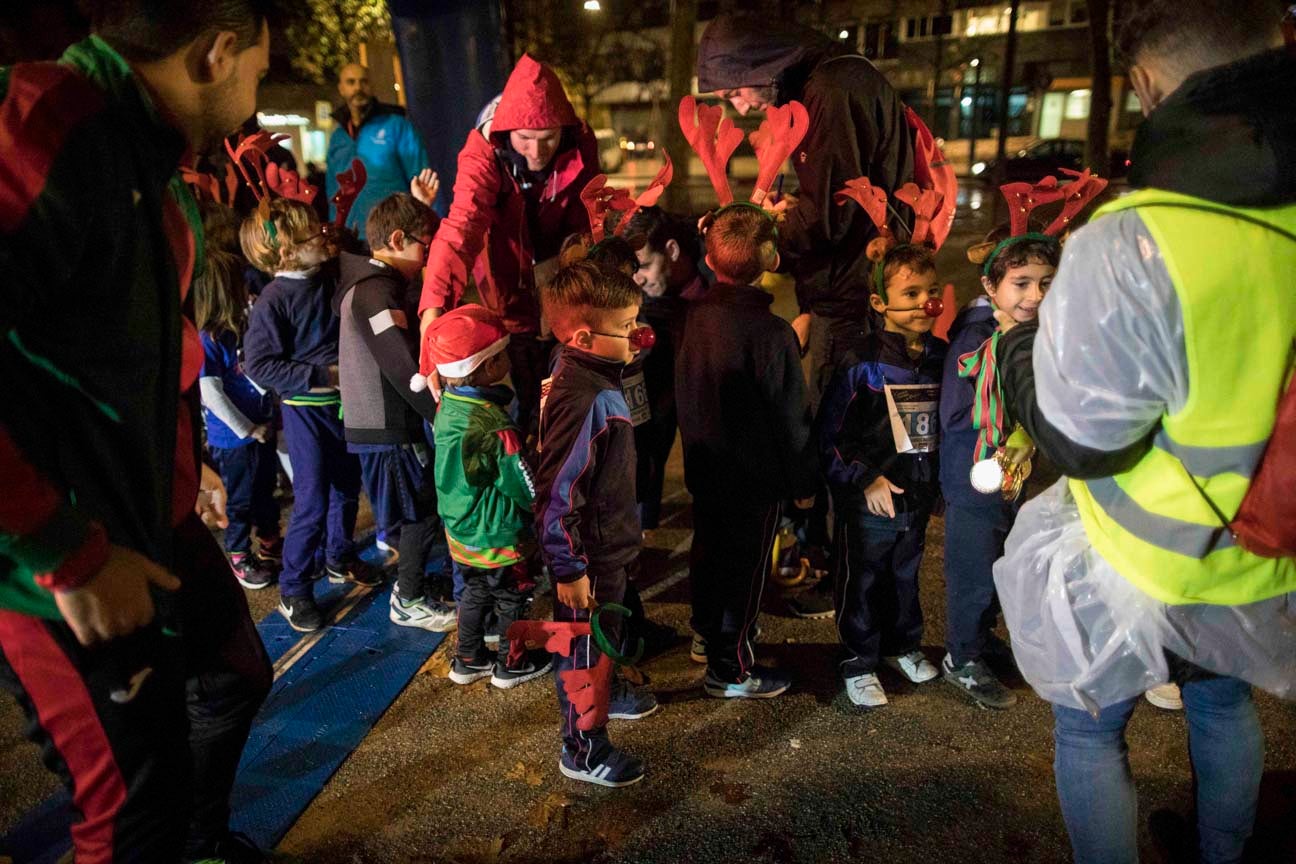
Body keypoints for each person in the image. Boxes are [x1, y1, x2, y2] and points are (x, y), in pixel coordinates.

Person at [989, 2, 1296, 860]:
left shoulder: (1135, 240)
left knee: (1091, 730)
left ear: (1147, 86)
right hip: (1263, 555)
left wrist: (1019, 344)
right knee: (1225, 706)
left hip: (1137, 562)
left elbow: (1086, 441)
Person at [0, 3, 274, 861]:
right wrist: (64, 551)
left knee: (230, 676)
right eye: (259, 74)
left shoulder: (135, 155)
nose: (255, 100)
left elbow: (132, 363)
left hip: (143, 515)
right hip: (54, 552)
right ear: (217, 52)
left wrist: (186, 477)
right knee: (128, 806)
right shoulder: (50, 123)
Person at [695, 14, 915, 406]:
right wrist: (795, 204)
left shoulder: (829, 93)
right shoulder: (833, 79)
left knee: (837, 424)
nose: (742, 110)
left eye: (734, 94)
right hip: (854, 280)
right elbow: (839, 185)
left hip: (852, 290)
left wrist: (756, 239)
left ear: (760, 65)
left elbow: (830, 214)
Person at [675, 206, 818, 698]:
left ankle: (705, 634)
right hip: (754, 480)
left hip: (704, 466)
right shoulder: (774, 333)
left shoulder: (693, 318)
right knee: (745, 570)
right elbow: (790, 417)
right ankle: (730, 669)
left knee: (708, 552)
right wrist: (803, 485)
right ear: (770, 257)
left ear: (710, 260)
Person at [419, 54, 600, 437]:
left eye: (548, 138)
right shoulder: (483, 152)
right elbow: (461, 227)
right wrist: (434, 305)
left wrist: (584, 250)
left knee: (563, 393)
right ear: (505, 133)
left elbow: (590, 208)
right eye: (526, 139)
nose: (537, 151)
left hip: (563, 284)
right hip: (507, 286)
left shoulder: (580, 141)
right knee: (520, 385)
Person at [534, 261, 659, 788]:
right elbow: (559, 492)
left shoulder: (587, 372)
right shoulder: (586, 397)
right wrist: (570, 566)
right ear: (585, 335)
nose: (639, 335)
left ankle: (605, 703)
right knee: (585, 651)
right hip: (589, 558)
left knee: (599, 644)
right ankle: (583, 749)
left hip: (604, 547)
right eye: (627, 327)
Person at [242, 198, 382, 633]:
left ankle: (338, 556)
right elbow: (258, 365)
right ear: (285, 252)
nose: (321, 234)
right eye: (309, 235)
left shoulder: (325, 273)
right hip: (305, 413)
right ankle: (294, 588)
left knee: (346, 486)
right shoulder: (274, 301)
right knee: (312, 501)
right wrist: (323, 373)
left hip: (339, 406)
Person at [815, 244, 946, 708]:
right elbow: (829, 435)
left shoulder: (940, 356)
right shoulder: (861, 362)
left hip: (915, 497)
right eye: (911, 294)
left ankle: (901, 646)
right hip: (869, 500)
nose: (926, 303)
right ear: (879, 304)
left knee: (906, 577)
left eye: (932, 292)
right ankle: (858, 660)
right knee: (863, 580)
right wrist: (862, 478)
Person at [936, 224, 1059, 710]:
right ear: (991, 287)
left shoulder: (1032, 332)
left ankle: (982, 640)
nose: (1034, 295)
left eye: (1046, 283)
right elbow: (961, 410)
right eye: (1021, 283)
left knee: (1000, 559)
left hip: (1011, 468)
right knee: (973, 567)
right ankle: (961, 657)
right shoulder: (979, 335)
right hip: (976, 471)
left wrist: (1025, 440)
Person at [336, 192, 456, 632]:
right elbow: (402, 362)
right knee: (420, 512)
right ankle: (408, 599)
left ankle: (414, 587)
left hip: (383, 421)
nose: (427, 257)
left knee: (417, 508)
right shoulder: (377, 291)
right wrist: (442, 411)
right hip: (388, 423)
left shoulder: (368, 283)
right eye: (424, 246)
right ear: (399, 238)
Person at [421, 305, 552, 688]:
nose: (508, 361)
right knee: (513, 594)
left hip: (460, 527)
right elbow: (520, 479)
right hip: (497, 531)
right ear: (483, 367)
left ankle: (467, 658)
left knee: (476, 588)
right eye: (501, 356)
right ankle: (511, 664)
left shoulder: (449, 406)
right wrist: (541, 505)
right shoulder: (494, 424)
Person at [197, 249, 281, 591]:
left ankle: (271, 542)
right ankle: (238, 554)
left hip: (260, 429)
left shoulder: (239, 327)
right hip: (235, 440)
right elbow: (211, 394)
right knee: (240, 498)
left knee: (265, 491)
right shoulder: (210, 339)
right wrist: (248, 429)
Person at [622, 206, 710, 531]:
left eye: (645, 265)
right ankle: (643, 527)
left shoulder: (713, 277)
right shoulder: (644, 296)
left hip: (703, 390)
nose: (638, 278)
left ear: (672, 250)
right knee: (648, 449)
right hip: (658, 388)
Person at [326, 62, 434, 234]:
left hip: (393, 234)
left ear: (372, 86)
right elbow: (333, 190)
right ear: (341, 88)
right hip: (350, 236)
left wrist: (425, 228)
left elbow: (422, 178)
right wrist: (336, 229)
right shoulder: (338, 137)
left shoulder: (397, 126)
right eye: (351, 82)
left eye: (364, 82)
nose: (358, 87)